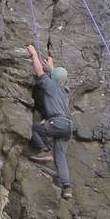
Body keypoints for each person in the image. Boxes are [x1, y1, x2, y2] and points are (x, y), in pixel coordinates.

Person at [26, 44, 73, 200]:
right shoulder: (65, 90)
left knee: (31, 128)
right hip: (68, 127)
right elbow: (58, 77)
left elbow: (39, 71)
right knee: (60, 156)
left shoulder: (51, 86)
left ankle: (43, 150)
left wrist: (33, 53)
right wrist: (52, 67)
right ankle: (67, 188)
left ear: (53, 79)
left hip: (57, 123)